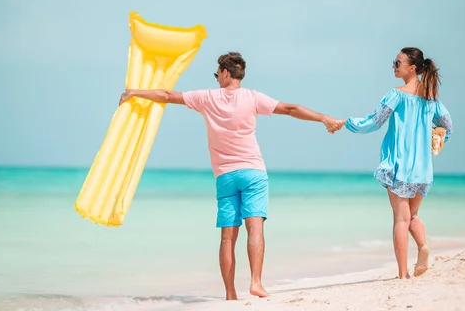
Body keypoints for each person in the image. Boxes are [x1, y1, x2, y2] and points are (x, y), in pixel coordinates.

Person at [119, 51, 343, 300]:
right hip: (253, 172)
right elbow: (291, 109)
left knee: (228, 237)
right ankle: (256, 283)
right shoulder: (253, 97)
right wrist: (324, 118)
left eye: (217, 74)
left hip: (225, 175)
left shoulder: (206, 98)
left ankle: (230, 293)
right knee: (255, 228)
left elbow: (167, 95)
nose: (216, 79)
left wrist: (134, 92)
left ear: (226, 73)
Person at [342, 47, 454, 279]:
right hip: (423, 169)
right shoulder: (431, 98)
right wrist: (433, 141)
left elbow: (374, 122)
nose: (393, 66)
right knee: (412, 217)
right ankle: (422, 246)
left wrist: (347, 123)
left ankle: (402, 274)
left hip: (399, 165)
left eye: (397, 62)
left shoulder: (396, 94)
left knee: (400, 220)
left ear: (412, 68)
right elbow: (447, 127)